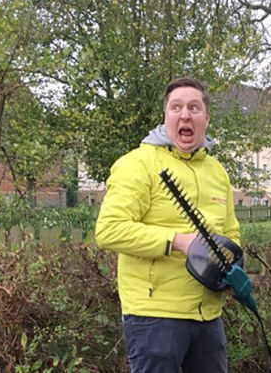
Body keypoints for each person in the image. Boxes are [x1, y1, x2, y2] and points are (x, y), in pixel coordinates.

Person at [95, 77, 240, 372]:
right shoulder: (138, 164)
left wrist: (232, 267)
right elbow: (109, 229)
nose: (185, 114)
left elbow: (230, 232)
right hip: (155, 317)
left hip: (208, 316)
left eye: (194, 108)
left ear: (206, 118)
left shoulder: (217, 172)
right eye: (177, 107)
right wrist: (177, 241)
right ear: (166, 116)